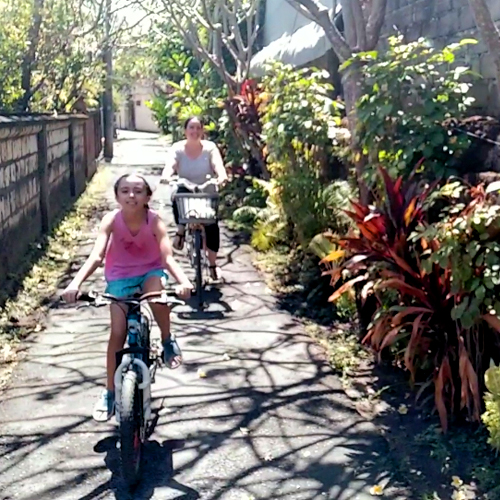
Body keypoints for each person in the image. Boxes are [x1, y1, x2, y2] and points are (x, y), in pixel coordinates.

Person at [61, 173, 193, 422]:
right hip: (119, 276)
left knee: (157, 298)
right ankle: (110, 392)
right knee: (117, 335)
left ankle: (166, 340)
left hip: (150, 270)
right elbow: (97, 256)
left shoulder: (154, 221)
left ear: (147, 197)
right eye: (125, 190)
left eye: (138, 191)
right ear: (117, 196)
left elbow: (167, 258)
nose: (131, 195)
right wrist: (75, 284)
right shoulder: (111, 220)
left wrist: (183, 281)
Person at [161, 116, 228, 281]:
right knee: (178, 192)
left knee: (212, 226)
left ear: (202, 131)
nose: (195, 131)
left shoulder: (210, 148)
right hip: (186, 189)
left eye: (198, 128)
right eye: (191, 128)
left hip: (206, 190)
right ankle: (181, 231)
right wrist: (167, 175)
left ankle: (212, 265)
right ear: (185, 131)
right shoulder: (177, 148)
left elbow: (217, 164)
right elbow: (171, 164)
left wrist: (222, 176)